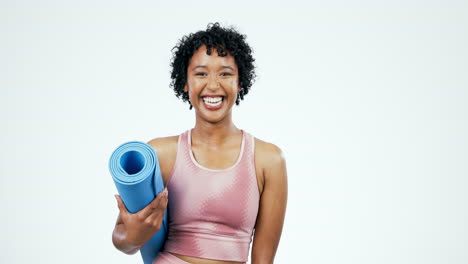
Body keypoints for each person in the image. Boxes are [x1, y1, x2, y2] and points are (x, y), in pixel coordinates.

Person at [112, 23, 288, 264]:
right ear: (186, 83)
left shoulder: (268, 160)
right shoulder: (160, 154)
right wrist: (134, 235)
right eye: (201, 73)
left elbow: (263, 260)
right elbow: (122, 240)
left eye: (225, 73)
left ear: (241, 82)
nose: (213, 85)